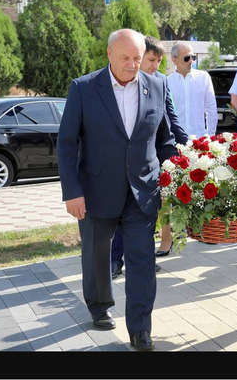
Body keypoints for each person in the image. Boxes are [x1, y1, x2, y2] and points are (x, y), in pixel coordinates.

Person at [57, 29, 178, 351]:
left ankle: (140, 329)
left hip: (143, 190)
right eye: (125, 58)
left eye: (137, 58)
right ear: (109, 54)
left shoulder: (157, 84)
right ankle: (99, 306)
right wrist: (72, 191)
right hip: (95, 190)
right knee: (97, 256)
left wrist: (175, 178)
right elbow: (67, 142)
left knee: (141, 260)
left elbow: (164, 139)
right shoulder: (84, 88)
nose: (132, 65)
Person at [111, 36, 189, 272]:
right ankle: (115, 260)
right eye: (151, 60)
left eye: (158, 61)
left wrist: (186, 146)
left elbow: (170, 118)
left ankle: (143, 261)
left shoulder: (160, 82)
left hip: (153, 158)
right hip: (124, 161)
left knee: (146, 212)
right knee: (122, 211)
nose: (155, 65)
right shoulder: (119, 83)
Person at [167, 42, 217, 138]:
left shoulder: (204, 78)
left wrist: (210, 137)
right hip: (176, 140)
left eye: (193, 57)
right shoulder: (167, 82)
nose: (191, 61)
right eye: (187, 58)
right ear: (175, 60)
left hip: (200, 140)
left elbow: (211, 110)